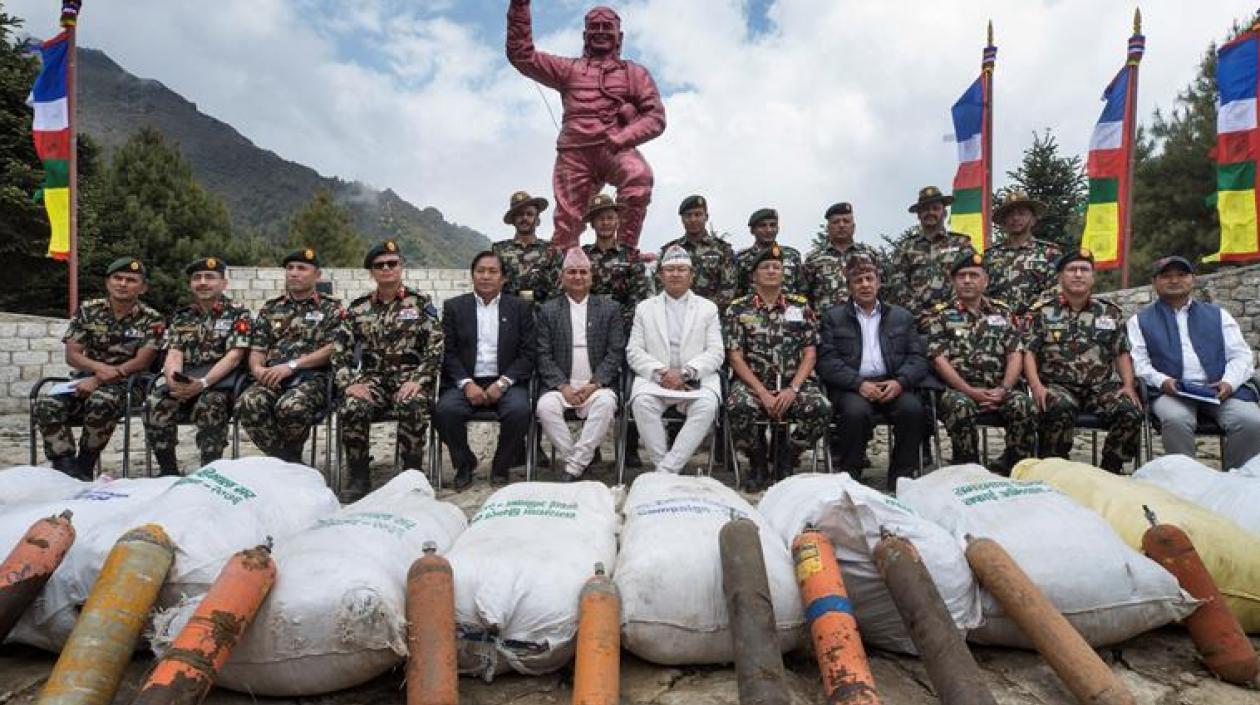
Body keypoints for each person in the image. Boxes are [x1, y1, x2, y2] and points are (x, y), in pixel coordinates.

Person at [506, 0, 666, 251]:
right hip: (574, 153)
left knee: (638, 177)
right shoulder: (569, 70)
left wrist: (624, 137)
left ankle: (624, 254)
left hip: (614, 148)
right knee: (567, 224)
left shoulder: (634, 73)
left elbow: (655, 117)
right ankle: (560, 273)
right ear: (585, 34)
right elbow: (521, 55)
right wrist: (520, 5)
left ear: (619, 36)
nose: (601, 31)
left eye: (607, 26)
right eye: (595, 26)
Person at [334, 240, 444, 500]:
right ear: (371, 272)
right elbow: (340, 351)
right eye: (379, 265)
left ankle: (411, 473)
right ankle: (359, 475)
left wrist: (419, 380)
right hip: (372, 380)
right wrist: (349, 383)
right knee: (352, 405)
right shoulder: (358, 308)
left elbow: (435, 347)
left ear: (401, 267)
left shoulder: (420, 304)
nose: (386, 269)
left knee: (413, 403)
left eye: (392, 263)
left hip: (409, 378)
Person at [1127, 255, 1260, 469]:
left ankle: (1236, 480)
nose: (1174, 280)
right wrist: (1163, 381)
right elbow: (1139, 363)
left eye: (1181, 275)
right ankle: (1186, 482)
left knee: (1251, 421)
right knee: (1176, 419)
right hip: (1172, 392)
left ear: (1193, 279)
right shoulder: (1140, 321)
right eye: (1166, 276)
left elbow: (1241, 355)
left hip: (1220, 391)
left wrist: (1229, 382)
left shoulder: (1218, 315)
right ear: (1154, 282)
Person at [35, 257, 163, 479]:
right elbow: (73, 355)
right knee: (48, 402)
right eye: (117, 278)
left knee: (101, 400)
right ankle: (65, 466)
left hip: (130, 384)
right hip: (85, 379)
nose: (122, 284)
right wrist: (97, 370)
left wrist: (99, 379)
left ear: (143, 287)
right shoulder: (88, 311)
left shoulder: (152, 319)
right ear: (107, 282)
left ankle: (85, 465)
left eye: (131, 280)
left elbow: (142, 361)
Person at [1023, 248, 1143, 473]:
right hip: (1059, 385)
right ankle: (1056, 468)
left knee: (1130, 411)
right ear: (1060, 277)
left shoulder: (1109, 312)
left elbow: (1121, 352)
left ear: (1092, 277)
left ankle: (1111, 468)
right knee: (1057, 407)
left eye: (1084, 269)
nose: (1078, 274)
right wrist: (1036, 386)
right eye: (1071, 270)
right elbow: (1028, 351)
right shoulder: (1042, 312)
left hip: (1100, 387)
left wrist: (1128, 385)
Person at [816, 255, 929, 490]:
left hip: (893, 383)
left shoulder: (902, 317)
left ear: (879, 283)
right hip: (853, 386)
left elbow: (918, 358)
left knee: (912, 410)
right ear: (849, 287)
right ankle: (851, 476)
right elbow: (827, 361)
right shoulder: (833, 318)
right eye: (858, 281)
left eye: (870, 279)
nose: (865, 285)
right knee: (855, 414)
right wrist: (858, 384)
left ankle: (901, 477)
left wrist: (900, 382)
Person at [724, 244, 831, 490]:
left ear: (783, 273)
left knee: (821, 408)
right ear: (754, 275)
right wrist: (761, 392)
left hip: (794, 382)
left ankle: (787, 455)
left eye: (776, 267)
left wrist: (793, 389)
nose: (771, 271)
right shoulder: (738, 308)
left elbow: (810, 353)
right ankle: (757, 460)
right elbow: (735, 356)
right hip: (753, 383)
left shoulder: (800, 307)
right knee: (738, 406)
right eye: (765, 267)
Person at [925, 250, 1035, 474]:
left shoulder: (1002, 312)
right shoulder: (940, 315)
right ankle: (968, 468)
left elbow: (1016, 353)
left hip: (998, 388)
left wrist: (1004, 389)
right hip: (958, 389)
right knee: (960, 406)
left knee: (1023, 404)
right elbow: (939, 360)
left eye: (973, 275)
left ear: (985, 280)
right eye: (961, 276)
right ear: (953, 281)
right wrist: (969, 391)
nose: (967, 281)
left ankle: (1015, 466)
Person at [434, 251, 535, 488]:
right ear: (472, 275)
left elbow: (528, 353)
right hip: (466, 381)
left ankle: (501, 466)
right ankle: (465, 462)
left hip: (507, 381)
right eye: (480, 271)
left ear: (503, 278)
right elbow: (447, 352)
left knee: (520, 411)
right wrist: (467, 384)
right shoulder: (454, 307)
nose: (486, 276)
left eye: (493, 271)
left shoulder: (520, 308)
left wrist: (502, 383)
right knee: (444, 411)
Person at [144, 257, 251, 476]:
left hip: (221, 384)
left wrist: (202, 383)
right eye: (197, 278)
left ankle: (209, 470)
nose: (203, 282)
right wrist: (174, 381)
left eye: (210, 277)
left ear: (224, 283)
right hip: (187, 382)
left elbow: (235, 356)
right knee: (155, 401)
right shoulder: (183, 316)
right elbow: (174, 352)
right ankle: (168, 471)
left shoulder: (239, 314)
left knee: (210, 403)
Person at [237, 248, 344, 463]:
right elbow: (258, 349)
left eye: (302, 268)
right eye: (290, 268)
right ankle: (288, 461)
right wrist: (258, 370)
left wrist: (293, 365)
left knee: (290, 407)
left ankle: (288, 463)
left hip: (313, 378)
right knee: (248, 403)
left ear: (317, 275)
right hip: (272, 377)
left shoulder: (332, 308)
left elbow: (335, 347)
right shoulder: (270, 308)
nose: (294, 273)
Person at [626, 245, 724, 474]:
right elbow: (634, 351)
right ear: (660, 275)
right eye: (670, 269)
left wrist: (686, 372)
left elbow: (716, 351)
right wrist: (662, 372)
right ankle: (667, 468)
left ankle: (665, 472)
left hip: (694, 379)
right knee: (641, 403)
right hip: (656, 379)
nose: (676, 274)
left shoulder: (708, 308)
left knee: (707, 405)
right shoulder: (644, 308)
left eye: (682, 269)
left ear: (692, 275)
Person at [535, 247, 626, 480]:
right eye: (572, 272)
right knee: (545, 408)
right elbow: (543, 354)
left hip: (596, 387)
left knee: (606, 404)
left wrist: (595, 384)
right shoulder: (548, 310)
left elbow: (616, 351)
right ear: (562, 277)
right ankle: (578, 461)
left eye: (583, 272)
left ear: (591, 276)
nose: (578, 277)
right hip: (561, 386)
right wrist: (563, 386)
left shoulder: (609, 309)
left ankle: (573, 467)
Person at [582, 192, 653, 467]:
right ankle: (594, 447)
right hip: (590, 334)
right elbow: (578, 294)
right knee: (594, 386)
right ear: (592, 223)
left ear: (617, 221)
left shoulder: (631, 256)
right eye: (600, 218)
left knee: (630, 387)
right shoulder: (583, 257)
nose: (605, 222)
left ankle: (630, 447)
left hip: (627, 331)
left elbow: (639, 297)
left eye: (610, 217)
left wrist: (617, 321)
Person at [886, 186, 976, 326]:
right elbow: (898, 285)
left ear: (944, 213)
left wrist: (945, 313)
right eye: (925, 209)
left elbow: (971, 278)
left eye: (935, 208)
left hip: (956, 319)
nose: (930, 212)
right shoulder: (906, 248)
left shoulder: (961, 244)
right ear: (918, 215)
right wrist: (919, 314)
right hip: (915, 322)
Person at [983, 189, 1062, 316]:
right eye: (1010, 214)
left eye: (1022, 213)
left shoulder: (1049, 252)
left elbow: (1057, 289)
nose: (1016, 218)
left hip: (1036, 324)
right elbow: (981, 293)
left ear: (1033, 219)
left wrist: (1033, 313)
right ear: (1003, 221)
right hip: (998, 325)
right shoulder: (989, 256)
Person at [658, 195, 738, 314]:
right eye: (688, 215)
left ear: (706, 217)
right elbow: (660, 285)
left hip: (711, 317)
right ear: (682, 219)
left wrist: (702, 312)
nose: (693, 219)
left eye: (698, 214)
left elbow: (728, 289)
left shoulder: (722, 249)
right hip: (675, 315)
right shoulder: (670, 250)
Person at [802, 202, 884, 314]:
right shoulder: (814, 259)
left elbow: (884, 289)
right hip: (827, 325)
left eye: (846, 221)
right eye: (836, 222)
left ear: (854, 227)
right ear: (828, 228)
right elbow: (804, 295)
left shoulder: (869, 254)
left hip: (866, 322)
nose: (841, 225)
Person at [493, 190, 562, 306]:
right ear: (513, 220)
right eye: (519, 214)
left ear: (537, 219)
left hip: (543, 316)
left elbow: (559, 287)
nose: (524, 218)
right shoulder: (499, 250)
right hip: (509, 314)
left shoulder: (552, 250)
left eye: (529, 214)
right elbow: (494, 285)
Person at [735, 208, 804, 296]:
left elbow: (802, 290)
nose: (768, 230)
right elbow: (737, 292)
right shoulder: (742, 258)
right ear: (752, 230)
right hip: (752, 308)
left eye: (772, 225)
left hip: (788, 308)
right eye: (762, 226)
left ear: (778, 229)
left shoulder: (792, 255)